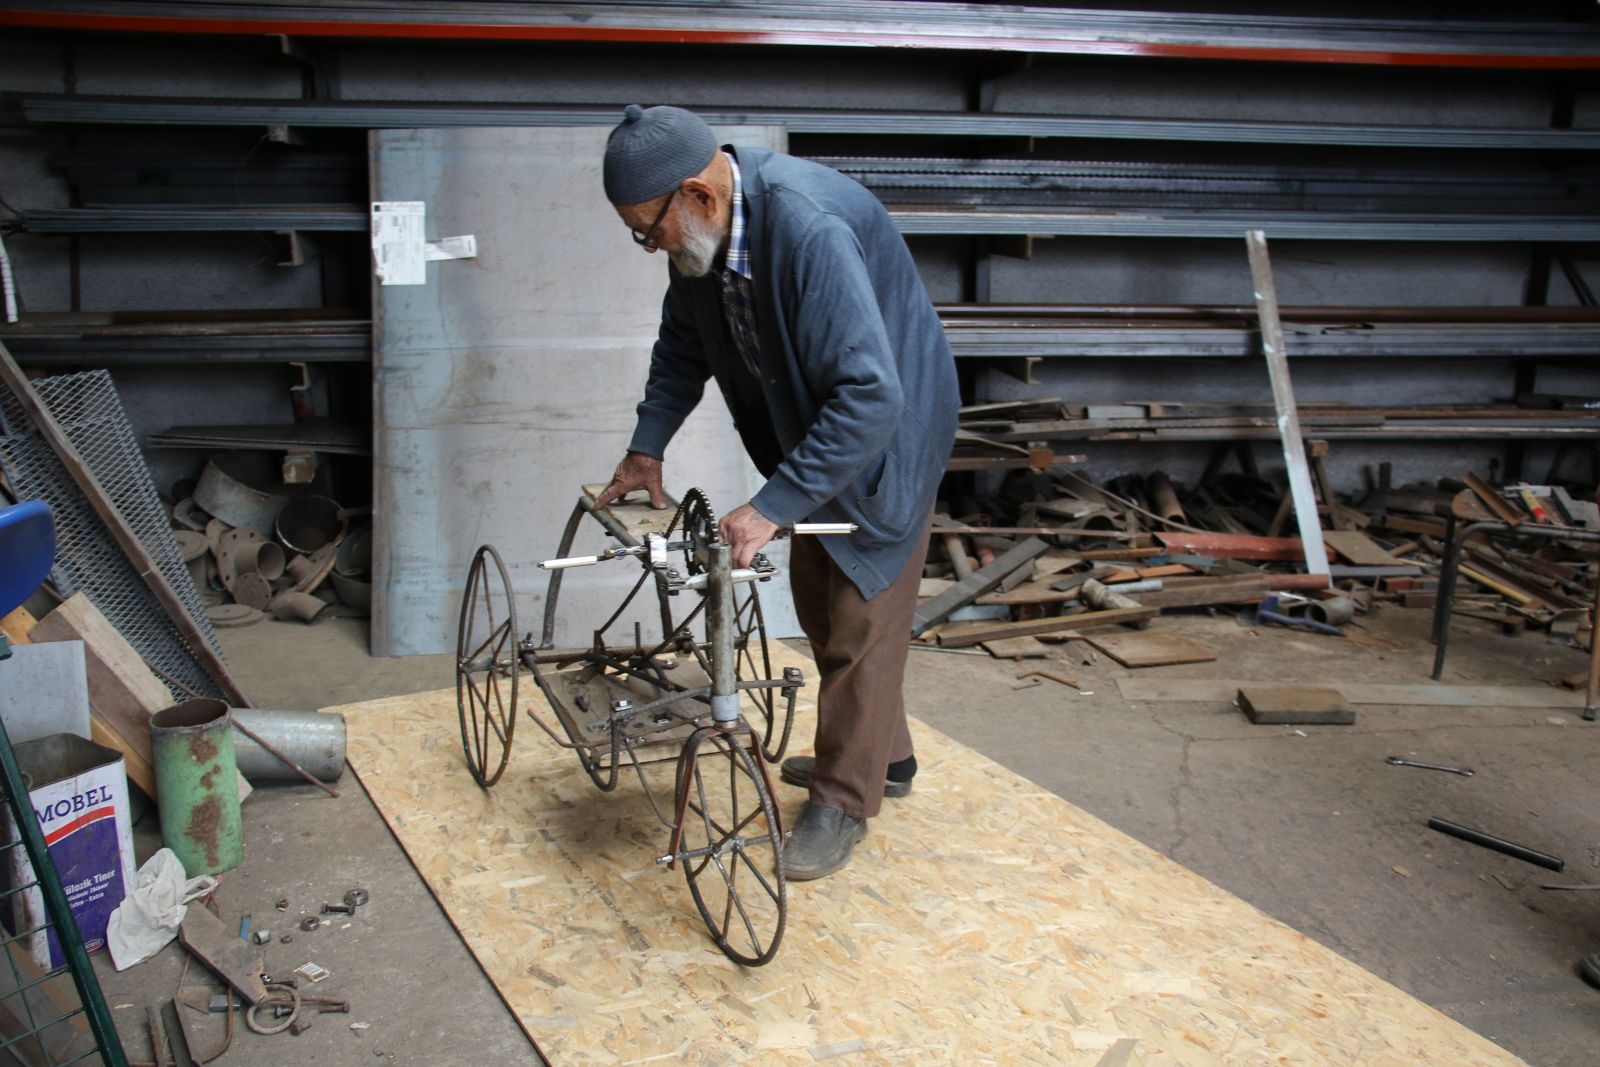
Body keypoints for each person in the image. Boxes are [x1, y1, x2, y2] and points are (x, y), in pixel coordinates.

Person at [594, 104, 959, 881]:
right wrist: (646, 446)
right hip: (819, 427)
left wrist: (769, 505)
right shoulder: (702, 240)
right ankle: (884, 757)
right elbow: (682, 346)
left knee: (861, 612)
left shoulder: (807, 230)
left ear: (698, 194)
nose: (651, 246)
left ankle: (843, 799)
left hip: (887, 430)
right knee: (820, 598)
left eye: (648, 231)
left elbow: (871, 396)